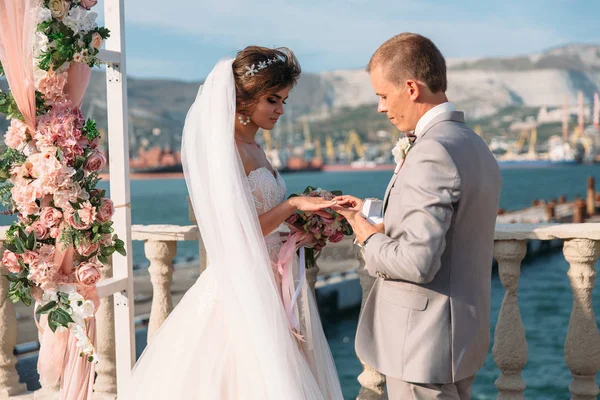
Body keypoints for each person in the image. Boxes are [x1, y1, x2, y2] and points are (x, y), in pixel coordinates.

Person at [123, 46, 343, 400]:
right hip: (245, 283)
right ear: (244, 97)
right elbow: (238, 232)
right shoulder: (227, 150)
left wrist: (303, 223)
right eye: (273, 99)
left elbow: (263, 215)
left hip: (275, 279)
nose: (281, 110)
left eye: (284, 100)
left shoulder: (255, 146)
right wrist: (291, 205)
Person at [334, 33, 502, 399]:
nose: (380, 107)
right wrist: (371, 211)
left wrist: (366, 235)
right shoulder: (473, 144)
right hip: (459, 340)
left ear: (410, 88)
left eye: (382, 95)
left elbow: (416, 263)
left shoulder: (432, 151)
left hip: (421, 345)